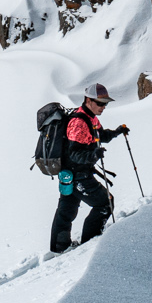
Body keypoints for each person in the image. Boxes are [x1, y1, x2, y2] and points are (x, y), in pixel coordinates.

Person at [50, 82, 128, 253]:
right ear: (88, 100)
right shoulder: (78, 122)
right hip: (79, 176)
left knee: (66, 210)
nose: (104, 107)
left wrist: (117, 132)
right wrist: (93, 155)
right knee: (105, 203)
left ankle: (58, 247)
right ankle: (89, 244)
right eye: (100, 103)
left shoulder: (90, 118)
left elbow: (101, 136)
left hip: (70, 175)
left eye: (106, 103)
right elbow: (74, 154)